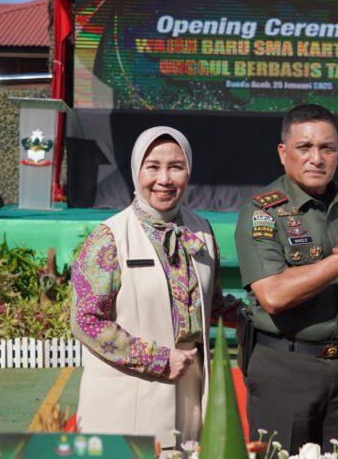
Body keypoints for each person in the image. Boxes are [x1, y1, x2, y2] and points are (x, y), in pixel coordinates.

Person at [71, 127, 238, 452]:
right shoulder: (109, 238)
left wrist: (258, 314)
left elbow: (211, 302)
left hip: (190, 388)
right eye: (153, 167)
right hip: (130, 390)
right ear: (137, 171)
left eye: (176, 166)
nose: (165, 178)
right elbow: (86, 320)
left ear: (188, 172)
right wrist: (158, 360)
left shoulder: (201, 232)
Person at [234, 104, 338, 454]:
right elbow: (273, 295)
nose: (317, 158)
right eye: (305, 147)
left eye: (327, 148)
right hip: (285, 367)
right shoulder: (262, 211)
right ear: (283, 153)